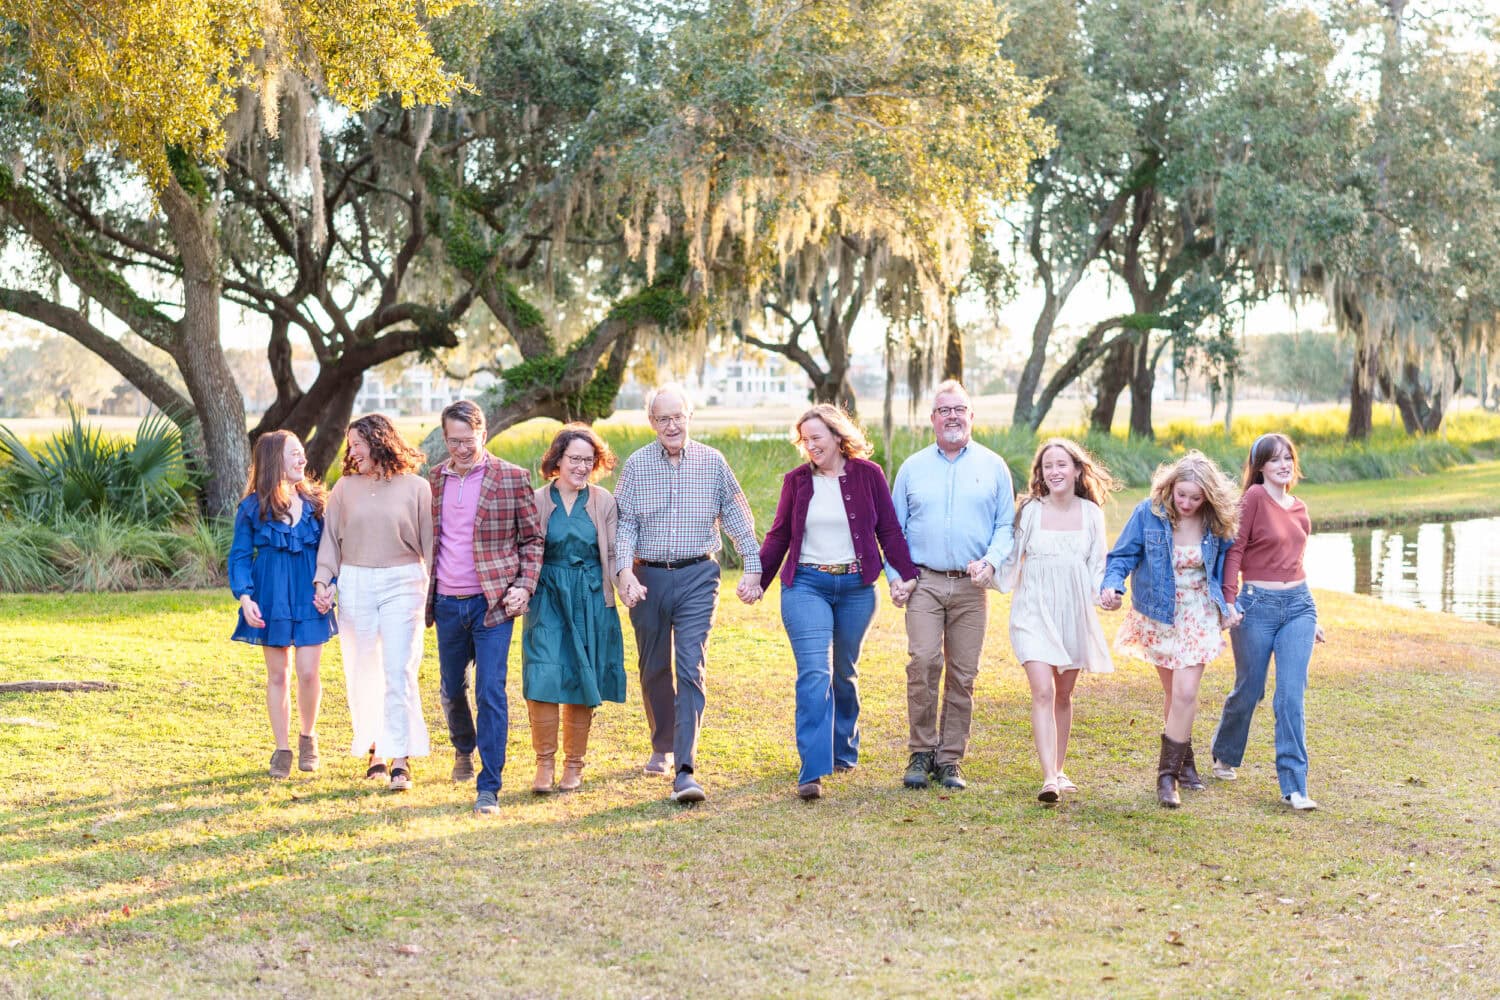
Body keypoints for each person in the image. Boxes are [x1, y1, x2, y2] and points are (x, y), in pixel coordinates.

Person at [757, 405, 920, 801]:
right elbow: (779, 536)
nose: (811, 446)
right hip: (806, 585)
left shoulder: (869, 475)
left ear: (837, 435)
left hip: (856, 588)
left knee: (843, 672)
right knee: (814, 671)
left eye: (818, 438)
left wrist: (906, 573)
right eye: (805, 440)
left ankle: (842, 746)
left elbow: (889, 529)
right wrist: (757, 579)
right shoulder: (796, 481)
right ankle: (812, 769)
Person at [614, 384, 763, 804]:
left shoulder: (712, 462)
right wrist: (624, 572)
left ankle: (685, 767)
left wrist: (752, 564)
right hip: (649, 576)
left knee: (690, 665)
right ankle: (661, 744)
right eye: (663, 418)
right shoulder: (638, 465)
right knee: (653, 665)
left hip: (699, 574)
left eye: (678, 416)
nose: (671, 425)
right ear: (652, 423)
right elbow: (625, 524)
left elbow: (736, 513)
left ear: (690, 417)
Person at [888, 379, 1015, 792]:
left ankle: (950, 760)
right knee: (923, 662)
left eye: (959, 409)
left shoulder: (994, 466)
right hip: (923, 583)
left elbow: (1005, 526)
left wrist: (992, 563)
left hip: (971, 586)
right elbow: (892, 530)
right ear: (933, 419)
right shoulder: (912, 468)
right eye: (944, 410)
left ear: (971, 416)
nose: (953, 416)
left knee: (963, 674)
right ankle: (921, 751)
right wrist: (897, 577)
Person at [1100, 451, 1238, 808]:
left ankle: (1167, 778)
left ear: (1207, 495)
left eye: (1196, 497)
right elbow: (1122, 556)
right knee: (1173, 693)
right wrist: (1112, 586)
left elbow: (1226, 567)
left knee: (1186, 692)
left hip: (1199, 613)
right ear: (1170, 488)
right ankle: (1185, 761)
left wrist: (1229, 604)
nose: (1188, 503)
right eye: (1182, 495)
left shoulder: (1214, 521)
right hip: (1160, 613)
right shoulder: (1150, 513)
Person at [425, 400, 543, 815]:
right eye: (453, 441)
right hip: (446, 603)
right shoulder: (433, 480)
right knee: (452, 688)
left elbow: (532, 541)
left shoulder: (512, 478)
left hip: (493, 604)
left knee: (490, 690)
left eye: (468, 440)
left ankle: (489, 786)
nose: (460, 448)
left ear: (484, 433)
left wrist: (523, 587)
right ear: (444, 438)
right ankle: (463, 747)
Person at [314, 414, 433, 792]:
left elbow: (430, 545)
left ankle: (401, 758)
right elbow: (331, 540)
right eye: (350, 445)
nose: (351, 452)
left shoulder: (417, 488)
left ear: (379, 441)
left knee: (399, 669)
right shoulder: (344, 489)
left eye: (357, 444)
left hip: (405, 580)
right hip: (356, 581)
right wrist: (323, 581)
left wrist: (435, 594)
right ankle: (376, 751)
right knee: (362, 669)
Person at [1209, 433, 1327, 811]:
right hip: (1255, 606)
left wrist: (1312, 620)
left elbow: (1296, 563)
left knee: (1290, 696)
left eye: (1288, 457)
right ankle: (1225, 753)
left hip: (1298, 607)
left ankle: (1295, 786)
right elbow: (1235, 550)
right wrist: (1229, 602)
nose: (1283, 464)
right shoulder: (1255, 499)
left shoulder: (1300, 508)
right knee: (1251, 688)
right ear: (1259, 467)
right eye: (1274, 459)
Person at [999, 438, 1117, 803]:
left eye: (1062, 464)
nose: (1055, 471)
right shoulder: (1030, 511)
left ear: (1077, 470)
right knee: (1043, 691)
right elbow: (1011, 558)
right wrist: (985, 572)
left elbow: (1097, 566)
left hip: (1072, 611)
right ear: (1041, 473)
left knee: (1063, 694)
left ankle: (1060, 768)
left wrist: (1106, 594)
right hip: (1033, 609)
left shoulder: (1091, 514)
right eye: (1048, 465)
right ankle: (1048, 777)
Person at [522, 424, 626, 795]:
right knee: (542, 674)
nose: (582, 467)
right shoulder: (536, 500)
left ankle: (574, 765)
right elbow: (523, 549)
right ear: (558, 460)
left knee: (584, 677)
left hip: (589, 596)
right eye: (575, 459)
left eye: (589, 460)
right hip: (546, 594)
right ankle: (544, 764)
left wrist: (624, 583)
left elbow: (613, 553)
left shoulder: (603, 501)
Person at [229, 430, 338, 779]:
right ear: (275, 459)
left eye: (302, 453)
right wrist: (245, 597)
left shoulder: (318, 503)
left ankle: (308, 737)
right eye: (294, 454)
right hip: (270, 594)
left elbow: (332, 550)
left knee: (308, 671)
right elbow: (241, 557)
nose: (302, 460)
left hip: (309, 593)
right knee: (278, 675)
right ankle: (282, 748)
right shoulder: (252, 508)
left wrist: (329, 586)